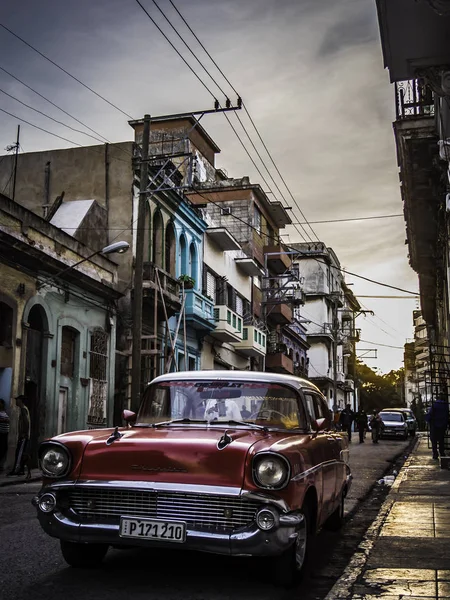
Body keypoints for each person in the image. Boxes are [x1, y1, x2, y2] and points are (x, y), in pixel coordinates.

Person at [7, 395, 31, 477]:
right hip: (24, 436)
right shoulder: (23, 409)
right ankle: (20, 470)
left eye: (17, 400)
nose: (16, 401)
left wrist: (24, 434)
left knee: (19, 453)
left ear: (21, 401)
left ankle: (17, 470)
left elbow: (26, 422)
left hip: (23, 436)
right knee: (21, 453)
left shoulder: (23, 409)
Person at [0, 399, 10, 470]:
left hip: (5, 433)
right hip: (0, 433)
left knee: (4, 448)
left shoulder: (4, 412)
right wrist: (4, 420)